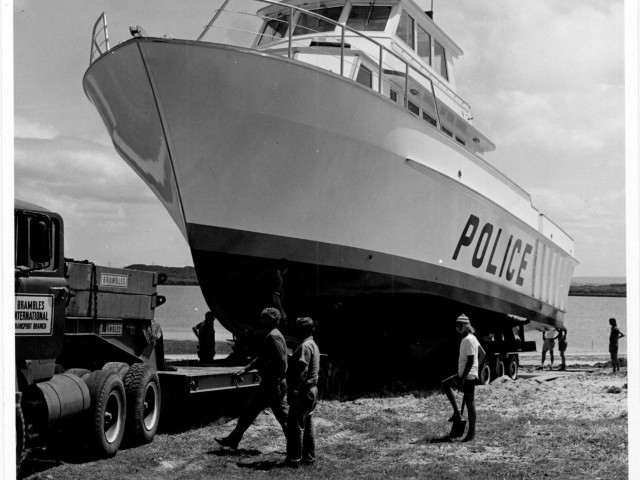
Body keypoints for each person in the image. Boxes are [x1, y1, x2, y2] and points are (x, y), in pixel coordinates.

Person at [214, 308, 288, 449]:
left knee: (281, 418)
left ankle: (296, 449)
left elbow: (282, 362)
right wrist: (244, 370)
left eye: (264, 318)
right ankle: (233, 439)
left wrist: (274, 378)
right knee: (250, 411)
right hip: (272, 383)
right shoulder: (272, 335)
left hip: (273, 384)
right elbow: (261, 359)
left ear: (272, 320)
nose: (261, 321)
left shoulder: (273, 336)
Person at [284, 317, 320, 468]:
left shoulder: (304, 346)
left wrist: (294, 390)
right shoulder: (313, 344)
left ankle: (294, 459)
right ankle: (309, 458)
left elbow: (302, 370)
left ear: (302, 330)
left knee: (295, 426)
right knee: (308, 424)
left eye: (297, 328)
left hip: (303, 390)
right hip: (313, 390)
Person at [441, 314, 479, 442]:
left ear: (466, 326)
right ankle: (457, 414)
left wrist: (463, 378)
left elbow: (470, 360)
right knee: (446, 384)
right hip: (468, 374)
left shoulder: (468, 340)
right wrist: (476, 369)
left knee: (470, 403)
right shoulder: (472, 338)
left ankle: (471, 433)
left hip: (466, 375)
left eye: (460, 325)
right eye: (456, 325)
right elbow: (482, 354)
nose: (458, 327)